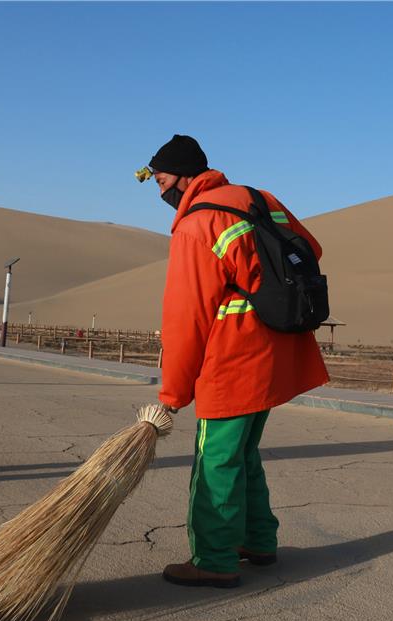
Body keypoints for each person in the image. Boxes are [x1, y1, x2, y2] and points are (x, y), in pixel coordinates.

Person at [140, 134, 329, 587]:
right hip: (277, 349)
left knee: (216, 460)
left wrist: (172, 393)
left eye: (162, 181)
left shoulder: (196, 226)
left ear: (184, 177)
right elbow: (310, 248)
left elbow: (187, 316)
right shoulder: (257, 198)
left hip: (234, 358)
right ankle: (259, 540)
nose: (160, 192)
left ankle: (214, 559)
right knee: (242, 452)